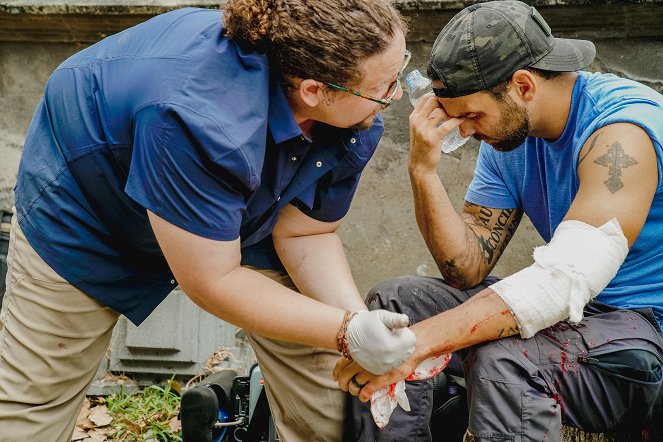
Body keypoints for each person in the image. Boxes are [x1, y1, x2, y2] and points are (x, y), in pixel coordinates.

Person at [0, 1, 418, 440]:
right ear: (314, 90)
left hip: (243, 199)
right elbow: (213, 279)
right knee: (32, 406)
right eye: (384, 86)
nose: (396, 96)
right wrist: (346, 331)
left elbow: (304, 232)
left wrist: (358, 326)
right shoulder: (197, 116)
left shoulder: (353, 116)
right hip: (89, 207)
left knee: (331, 395)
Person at [336, 1, 663, 441]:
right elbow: (465, 268)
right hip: (572, 319)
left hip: (642, 330)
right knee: (397, 304)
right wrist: (423, 170)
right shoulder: (509, 136)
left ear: (523, 85)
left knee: (506, 361)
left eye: (470, 115)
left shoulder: (623, 133)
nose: (464, 131)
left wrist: (415, 347)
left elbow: (564, 279)